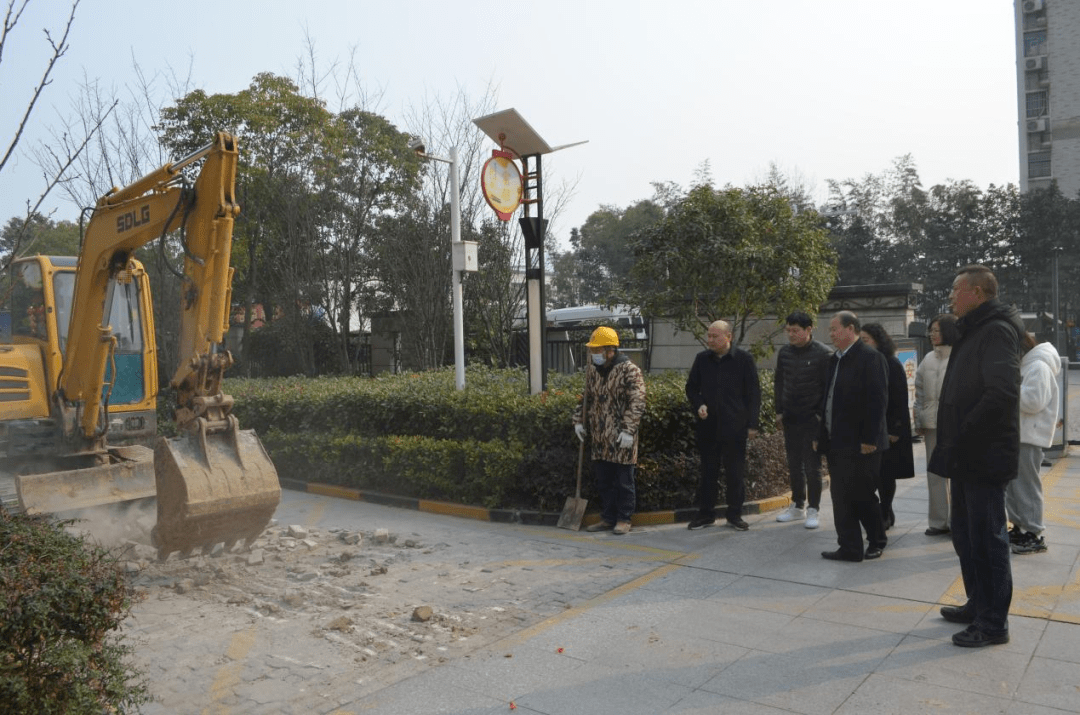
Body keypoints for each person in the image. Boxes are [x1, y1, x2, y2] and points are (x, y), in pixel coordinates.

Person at [929, 264, 1024, 648]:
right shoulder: (976, 328)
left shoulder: (996, 330)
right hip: (965, 454)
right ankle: (978, 602)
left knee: (987, 539)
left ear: (978, 293)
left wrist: (964, 431)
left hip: (983, 454)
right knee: (966, 535)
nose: (951, 296)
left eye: (956, 289)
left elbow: (1000, 392)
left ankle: (993, 623)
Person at [815, 310, 889, 562]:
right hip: (838, 441)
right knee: (840, 496)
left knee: (863, 495)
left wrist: (869, 438)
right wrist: (821, 434)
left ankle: (877, 539)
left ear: (850, 329)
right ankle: (849, 546)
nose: (831, 334)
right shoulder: (833, 359)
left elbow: (877, 401)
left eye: (835, 329)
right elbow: (826, 400)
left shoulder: (871, 358)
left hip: (863, 444)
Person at [685, 320, 761, 531]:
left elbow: (754, 393)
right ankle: (706, 515)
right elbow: (691, 388)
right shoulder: (702, 360)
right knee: (708, 471)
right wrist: (699, 404)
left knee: (735, 473)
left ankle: (734, 515)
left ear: (729, 337)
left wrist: (752, 424)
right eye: (708, 336)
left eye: (714, 336)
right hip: (708, 426)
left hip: (735, 426)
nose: (710, 340)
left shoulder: (744, 360)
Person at [572, 326, 646, 536]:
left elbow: (638, 400)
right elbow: (585, 398)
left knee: (624, 481)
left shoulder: (629, 370)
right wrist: (578, 421)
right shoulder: (594, 371)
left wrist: (629, 430)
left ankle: (624, 519)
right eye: (592, 350)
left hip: (621, 436)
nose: (593, 354)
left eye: (597, 350)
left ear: (610, 350)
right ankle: (608, 517)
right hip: (599, 436)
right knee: (604, 481)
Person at [773, 311, 832, 529]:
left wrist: (819, 416)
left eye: (795, 330)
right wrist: (779, 411)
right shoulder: (785, 353)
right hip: (790, 418)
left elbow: (828, 390)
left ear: (809, 330)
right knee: (794, 464)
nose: (791, 334)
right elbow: (779, 383)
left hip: (812, 420)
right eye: (788, 330)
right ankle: (797, 505)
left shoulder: (824, 354)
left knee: (812, 466)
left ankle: (813, 509)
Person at [1006, 332, 1061, 555]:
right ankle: (1020, 527)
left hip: (1029, 435)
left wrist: (1007, 388)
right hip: (1020, 434)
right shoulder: (1028, 365)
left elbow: (1033, 401)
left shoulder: (1038, 366)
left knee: (1027, 487)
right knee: (1015, 486)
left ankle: (1034, 533)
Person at [859, 323, 915, 531]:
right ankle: (882, 512)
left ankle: (885, 510)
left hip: (890, 429)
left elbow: (900, 399)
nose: (862, 344)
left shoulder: (891, 363)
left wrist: (895, 429)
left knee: (886, 474)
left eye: (866, 340)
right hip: (871, 428)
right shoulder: (865, 362)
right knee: (871, 475)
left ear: (878, 341)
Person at [914, 314, 959, 536]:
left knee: (957, 474)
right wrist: (919, 420)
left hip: (955, 424)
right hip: (932, 424)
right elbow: (919, 393)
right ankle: (938, 522)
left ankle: (958, 521)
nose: (932, 335)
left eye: (937, 330)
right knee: (935, 474)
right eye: (931, 331)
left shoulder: (960, 356)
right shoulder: (927, 359)